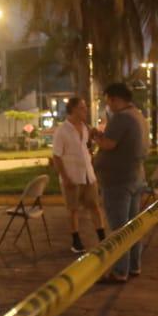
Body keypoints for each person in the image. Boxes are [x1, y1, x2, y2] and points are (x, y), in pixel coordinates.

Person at [94, 82, 147, 283]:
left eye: (108, 100)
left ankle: (119, 271)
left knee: (119, 228)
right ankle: (134, 266)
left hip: (118, 181)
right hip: (135, 177)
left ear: (115, 99)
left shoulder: (121, 117)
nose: (108, 104)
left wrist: (96, 137)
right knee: (133, 227)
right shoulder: (138, 116)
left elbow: (109, 144)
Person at [51, 96, 108, 253]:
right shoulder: (62, 131)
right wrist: (65, 177)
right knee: (73, 209)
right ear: (74, 109)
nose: (86, 110)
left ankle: (102, 237)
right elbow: (56, 156)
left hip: (88, 176)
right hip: (72, 177)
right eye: (83, 108)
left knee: (94, 206)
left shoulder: (85, 127)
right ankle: (76, 241)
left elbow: (88, 145)